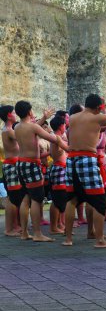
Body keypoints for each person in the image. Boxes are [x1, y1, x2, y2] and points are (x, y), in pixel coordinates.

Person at [63, 92, 106, 248]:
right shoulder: (97, 117)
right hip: (87, 159)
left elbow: (97, 128)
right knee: (98, 200)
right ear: (98, 107)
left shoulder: (74, 117)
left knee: (72, 199)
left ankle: (68, 239)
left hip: (71, 159)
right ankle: (100, 240)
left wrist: (102, 112)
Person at [14, 100, 65, 242]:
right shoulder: (32, 127)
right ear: (30, 112)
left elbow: (32, 128)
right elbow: (51, 138)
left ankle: (24, 232)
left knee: (25, 198)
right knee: (37, 199)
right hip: (31, 165)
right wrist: (62, 137)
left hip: (21, 164)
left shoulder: (18, 126)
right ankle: (37, 233)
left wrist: (44, 118)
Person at [0, 105, 23, 236]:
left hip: (13, 165)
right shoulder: (8, 130)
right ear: (9, 115)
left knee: (15, 198)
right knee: (13, 198)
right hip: (11, 165)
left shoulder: (7, 129)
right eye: (14, 112)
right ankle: (9, 229)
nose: (16, 114)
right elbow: (23, 136)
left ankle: (15, 225)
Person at [49, 116, 69, 234]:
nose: (65, 126)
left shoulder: (58, 137)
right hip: (59, 169)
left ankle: (58, 225)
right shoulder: (56, 137)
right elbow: (68, 148)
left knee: (60, 199)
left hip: (60, 169)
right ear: (61, 126)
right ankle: (54, 227)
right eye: (64, 125)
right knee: (58, 199)